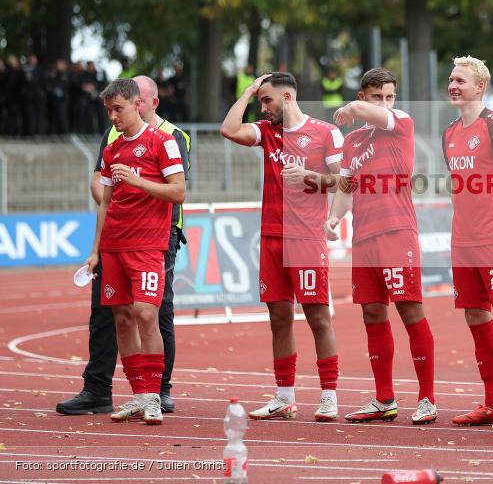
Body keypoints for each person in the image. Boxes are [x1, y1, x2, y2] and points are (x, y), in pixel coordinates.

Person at [57, 76, 190, 417]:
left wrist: (137, 180)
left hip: (148, 244)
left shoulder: (164, 142)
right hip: (114, 245)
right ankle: (140, 396)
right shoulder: (112, 148)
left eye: (118, 109)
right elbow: (104, 203)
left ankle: (156, 396)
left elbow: (178, 192)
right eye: (108, 110)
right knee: (122, 320)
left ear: (137, 104)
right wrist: (95, 250)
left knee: (148, 315)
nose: (113, 116)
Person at [220, 71, 343, 422]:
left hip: (306, 239)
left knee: (318, 318)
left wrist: (309, 176)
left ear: (287, 98)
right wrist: (247, 92)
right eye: (260, 101)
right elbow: (229, 129)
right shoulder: (267, 132)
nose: (263, 108)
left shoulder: (325, 132)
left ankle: (329, 395)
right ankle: (284, 396)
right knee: (279, 319)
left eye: (267, 100)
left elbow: (344, 182)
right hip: (271, 239)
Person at [325, 68, 437, 425]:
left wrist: (354, 109)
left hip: (396, 232)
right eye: (378, 97)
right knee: (372, 314)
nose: (386, 103)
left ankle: (427, 399)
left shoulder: (400, 122)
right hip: (365, 235)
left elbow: (375, 114)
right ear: (364, 96)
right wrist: (333, 218)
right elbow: (345, 187)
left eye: (390, 96)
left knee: (410, 312)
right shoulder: (353, 141)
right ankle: (384, 398)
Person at [442, 56, 493, 426]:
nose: (453, 85)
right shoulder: (449, 133)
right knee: (476, 314)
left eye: (461, 80)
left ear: (480, 87)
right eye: (451, 79)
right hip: (464, 242)